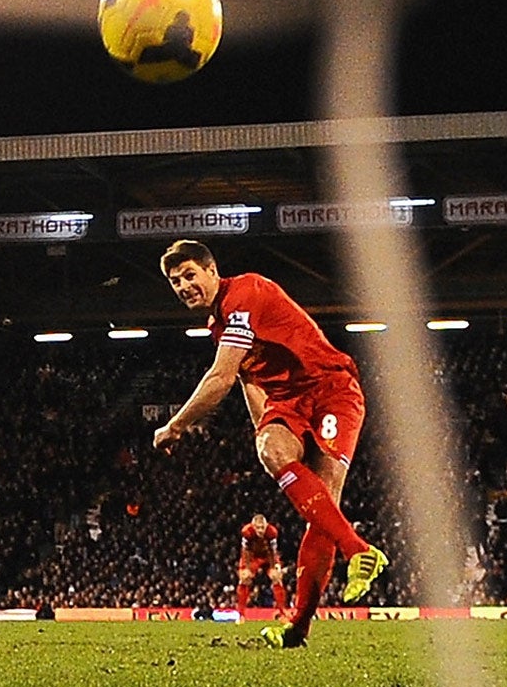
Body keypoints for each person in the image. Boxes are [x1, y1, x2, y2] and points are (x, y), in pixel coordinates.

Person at [150, 240, 387, 649]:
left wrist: (175, 425)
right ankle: (356, 554)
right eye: (175, 281)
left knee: (324, 506)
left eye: (190, 274)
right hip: (288, 400)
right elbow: (247, 379)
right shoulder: (219, 324)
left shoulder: (244, 293)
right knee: (272, 451)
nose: (184, 285)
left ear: (212, 270)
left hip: (331, 389)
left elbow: (220, 378)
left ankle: (306, 616)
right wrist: (266, 432)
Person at [235, 511, 290, 615]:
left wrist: (274, 566)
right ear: (253, 526)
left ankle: (283, 611)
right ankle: (241, 613)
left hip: (267, 556)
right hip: (252, 557)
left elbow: (273, 551)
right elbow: (245, 550)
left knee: (276, 577)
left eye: (262, 527)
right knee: (244, 578)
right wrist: (246, 567)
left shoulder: (272, 532)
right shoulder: (246, 532)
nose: (260, 530)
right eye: (258, 527)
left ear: (266, 526)